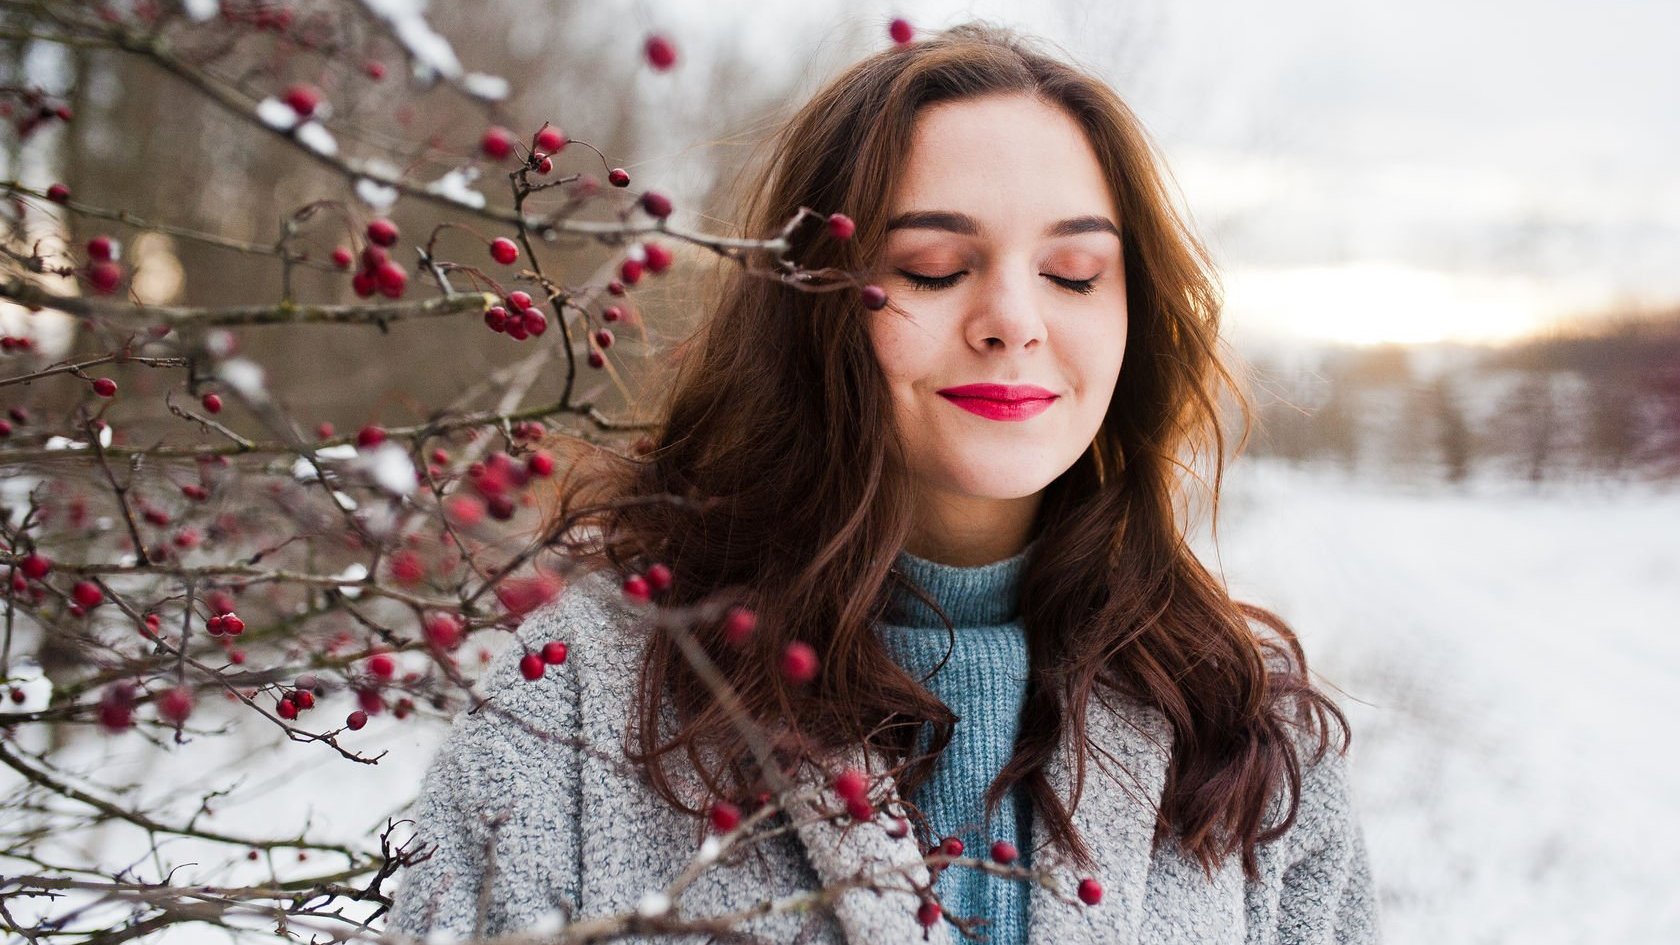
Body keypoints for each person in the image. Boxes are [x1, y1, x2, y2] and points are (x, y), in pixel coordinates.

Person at [385, 20, 1379, 945]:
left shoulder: (1249, 735)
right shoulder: (581, 700)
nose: (1012, 320)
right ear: (812, 306)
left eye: (1074, 273)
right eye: (936, 267)